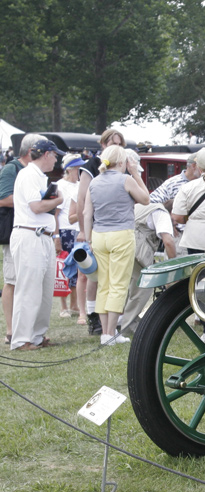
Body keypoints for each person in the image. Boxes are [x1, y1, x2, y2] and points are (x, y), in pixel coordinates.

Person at [81, 145, 150, 345]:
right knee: (118, 284)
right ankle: (111, 333)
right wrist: (136, 173)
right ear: (122, 162)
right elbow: (146, 199)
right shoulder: (125, 179)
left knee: (103, 284)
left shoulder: (94, 182)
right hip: (121, 234)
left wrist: (88, 239)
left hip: (99, 235)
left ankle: (105, 332)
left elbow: (87, 213)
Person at [8, 138, 65, 350]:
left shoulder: (39, 176)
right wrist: (58, 200)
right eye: (55, 155)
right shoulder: (29, 175)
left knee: (44, 291)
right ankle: (21, 339)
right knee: (29, 290)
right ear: (46, 154)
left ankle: (37, 336)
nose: (56, 160)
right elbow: (37, 207)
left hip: (42, 236)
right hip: (29, 235)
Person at [77, 129, 128, 335]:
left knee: (112, 279)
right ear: (103, 144)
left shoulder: (121, 166)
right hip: (96, 228)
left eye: (120, 144)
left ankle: (113, 321)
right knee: (94, 276)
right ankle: (93, 317)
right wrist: (84, 231)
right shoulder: (91, 166)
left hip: (115, 228)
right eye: (113, 143)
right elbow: (82, 200)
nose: (117, 147)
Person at [0, 133, 45, 344]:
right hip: (14, 232)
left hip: (32, 232)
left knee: (30, 282)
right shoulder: (12, 169)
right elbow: (3, 198)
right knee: (12, 281)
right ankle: (11, 331)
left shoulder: (36, 172)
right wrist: (33, 199)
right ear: (31, 151)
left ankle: (30, 331)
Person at [119, 202, 177, 337]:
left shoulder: (143, 207)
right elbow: (168, 242)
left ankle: (116, 321)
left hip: (119, 243)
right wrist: (173, 264)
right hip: (136, 249)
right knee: (142, 287)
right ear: (172, 212)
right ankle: (129, 325)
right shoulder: (162, 213)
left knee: (123, 286)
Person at [56, 153, 89, 321]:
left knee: (76, 269)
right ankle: (63, 306)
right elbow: (55, 214)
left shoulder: (79, 185)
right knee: (63, 267)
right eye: (77, 168)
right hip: (65, 230)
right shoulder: (59, 185)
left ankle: (74, 304)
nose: (79, 172)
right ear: (69, 169)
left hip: (77, 230)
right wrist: (56, 235)